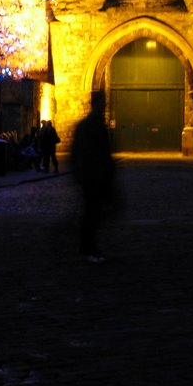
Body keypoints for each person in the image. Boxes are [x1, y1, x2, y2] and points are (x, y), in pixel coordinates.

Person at [71, 92, 115, 264]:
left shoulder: (90, 125)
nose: (104, 107)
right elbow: (94, 154)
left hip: (94, 176)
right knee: (92, 213)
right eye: (102, 103)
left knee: (92, 212)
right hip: (94, 177)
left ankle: (86, 245)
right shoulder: (92, 126)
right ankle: (89, 246)